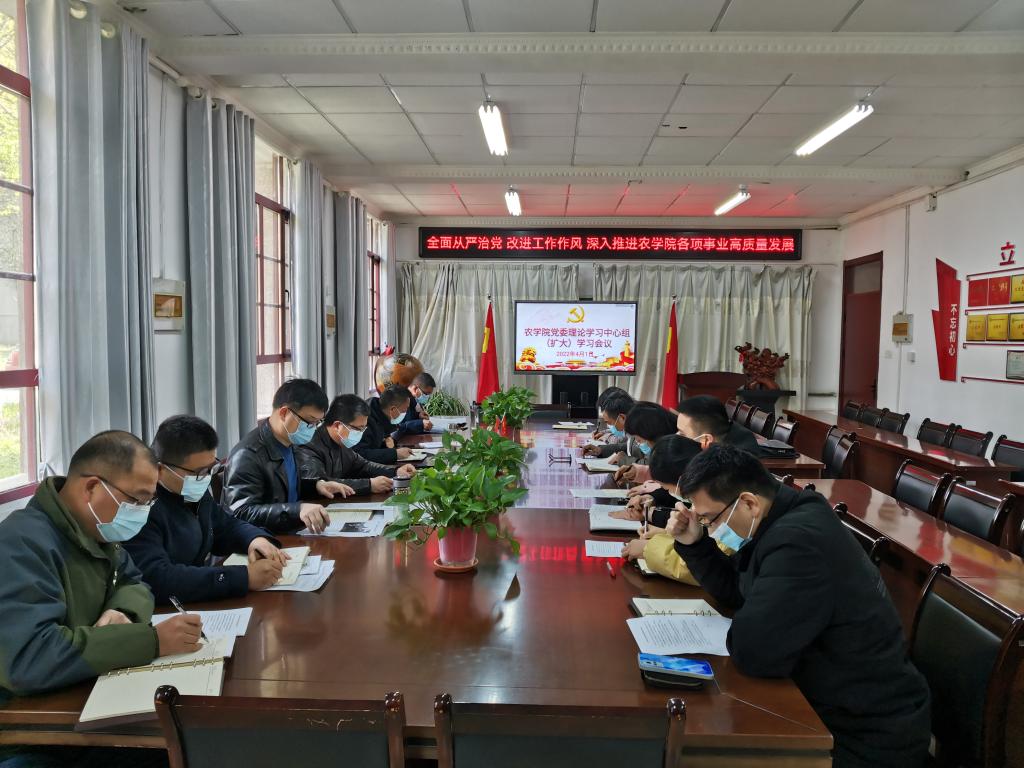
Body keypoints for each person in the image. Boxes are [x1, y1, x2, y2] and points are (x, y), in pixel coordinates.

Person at [666, 445, 931, 768]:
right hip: (831, 707)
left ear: (748, 503)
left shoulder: (797, 543)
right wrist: (695, 544)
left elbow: (754, 652)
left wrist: (748, 619)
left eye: (709, 519)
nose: (710, 528)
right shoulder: (780, 517)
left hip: (864, 736)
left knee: (700, 751)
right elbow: (738, 592)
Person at [0, 431, 202, 767]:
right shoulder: (21, 544)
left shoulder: (95, 530)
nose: (142, 512)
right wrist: (151, 641)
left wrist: (123, 611)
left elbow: (135, 582)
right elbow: (29, 658)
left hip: (90, 704)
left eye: (148, 503)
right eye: (137, 500)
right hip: (34, 736)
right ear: (92, 488)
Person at [125, 416, 290, 605]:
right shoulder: (141, 507)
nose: (205, 479)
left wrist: (254, 540)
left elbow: (225, 526)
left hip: (198, 599)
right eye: (198, 472)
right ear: (160, 470)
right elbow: (158, 579)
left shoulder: (192, 490)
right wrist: (243, 577)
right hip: (167, 609)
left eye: (210, 469)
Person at [223, 379, 354, 535]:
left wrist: (316, 486)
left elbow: (285, 487)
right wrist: (297, 510)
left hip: (290, 531)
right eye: (309, 422)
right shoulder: (248, 454)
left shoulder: (290, 442)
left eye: (317, 423)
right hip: (263, 539)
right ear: (284, 413)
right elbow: (241, 513)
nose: (313, 429)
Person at [619, 434, 735, 581]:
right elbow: (706, 541)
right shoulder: (715, 491)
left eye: (682, 430)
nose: (679, 433)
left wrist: (648, 549)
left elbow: (714, 564)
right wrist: (664, 534)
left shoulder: (723, 505)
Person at [297, 394, 416, 495]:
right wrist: (369, 485)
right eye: (358, 429)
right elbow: (322, 484)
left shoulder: (341, 442)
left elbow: (363, 465)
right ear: (338, 425)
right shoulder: (309, 446)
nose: (360, 433)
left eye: (363, 429)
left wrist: (396, 471)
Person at [612, 401, 677, 485]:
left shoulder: (673, 450)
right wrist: (637, 473)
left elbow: (671, 483)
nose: (638, 443)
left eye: (639, 440)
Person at [675, 395, 759, 453]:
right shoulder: (724, 436)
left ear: (706, 440)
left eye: (682, 434)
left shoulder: (731, 465)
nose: (675, 436)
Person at [355, 385, 416, 464]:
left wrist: (385, 444)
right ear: (393, 409)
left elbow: (373, 445)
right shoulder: (364, 421)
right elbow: (360, 455)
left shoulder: (380, 414)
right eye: (404, 410)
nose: (406, 413)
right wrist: (395, 454)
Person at [582, 389, 638, 459]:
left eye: (609, 422)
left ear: (622, 418)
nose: (609, 426)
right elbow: (630, 446)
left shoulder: (642, 427)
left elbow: (647, 461)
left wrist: (624, 460)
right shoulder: (632, 420)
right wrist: (600, 450)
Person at [395, 372, 435, 438]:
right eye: (425, 394)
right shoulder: (399, 398)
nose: (427, 397)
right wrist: (420, 424)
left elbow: (408, 419)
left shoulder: (413, 399)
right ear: (415, 388)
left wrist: (418, 415)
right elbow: (397, 427)